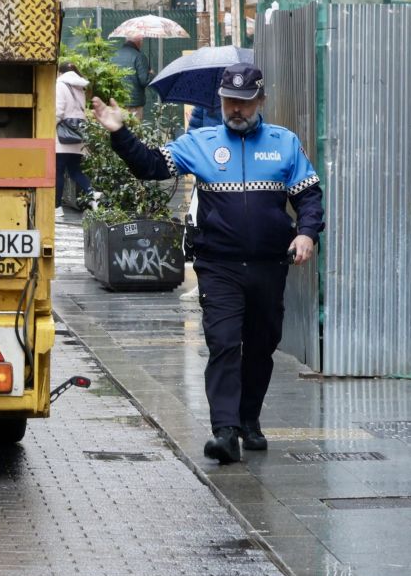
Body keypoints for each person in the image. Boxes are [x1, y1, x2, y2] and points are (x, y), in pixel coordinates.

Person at [93, 64, 323, 465]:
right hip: (218, 266)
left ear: (261, 101)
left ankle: (248, 418)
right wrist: (119, 132)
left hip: (270, 265)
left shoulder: (284, 144)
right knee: (223, 344)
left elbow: (309, 196)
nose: (236, 109)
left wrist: (306, 233)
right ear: (220, 101)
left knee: (261, 347)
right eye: (229, 101)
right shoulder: (200, 142)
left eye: (245, 102)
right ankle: (225, 431)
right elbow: (149, 165)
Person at [54, 62, 92, 217]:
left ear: (60, 72)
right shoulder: (80, 87)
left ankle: (57, 208)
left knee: (58, 171)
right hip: (77, 135)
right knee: (75, 170)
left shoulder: (60, 85)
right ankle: (92, 193)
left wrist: (49, 127)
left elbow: (58, 111)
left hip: (63, 136)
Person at [110, 33, 154, 117]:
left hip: (116, 103)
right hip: (134, 105)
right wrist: (151, 74)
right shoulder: (139, 56)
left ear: (126, 40)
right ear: (140, 42)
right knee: (133, 129)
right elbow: (145, 81)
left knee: (118, 128)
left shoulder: (113, 55)